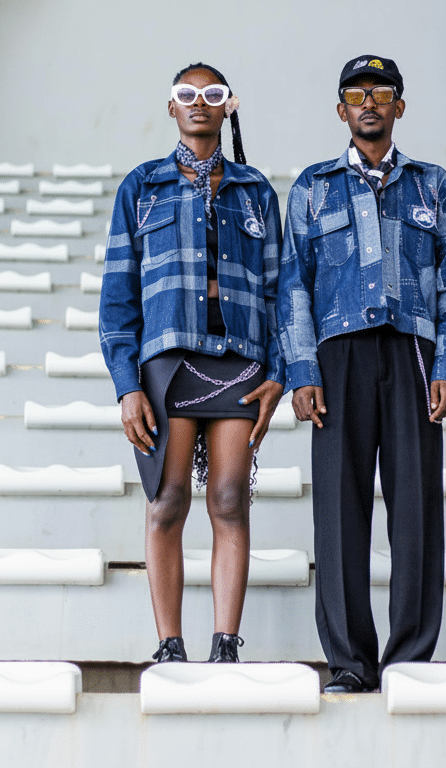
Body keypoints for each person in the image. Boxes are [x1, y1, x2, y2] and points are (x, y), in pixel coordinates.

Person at [278, 55, 446, 693]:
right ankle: (348, 661)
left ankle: (410, 659)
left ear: (400, 106)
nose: (370, 103)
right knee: (339, 509)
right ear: (341, 110)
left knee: (415, 507)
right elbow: (294, 286)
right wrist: (301, 369)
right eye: (357, 94)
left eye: (382, 92)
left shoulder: (433, 185)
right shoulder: (312, 187)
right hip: (338, 356)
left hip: (414, 354)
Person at [100, 63, 285, 664]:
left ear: (228, 105)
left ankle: (226, 645)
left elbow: (282, 290)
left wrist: (279, 371)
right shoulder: (141, 186)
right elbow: (118, 296)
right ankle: (169, 646)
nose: (198, 103)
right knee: (168, 499)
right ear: (172, 108)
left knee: (229, 498)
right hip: (168, 363)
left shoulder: (255, 189)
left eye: (211, 94)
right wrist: (127, 385)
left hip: (238, 360)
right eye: (187, 94)